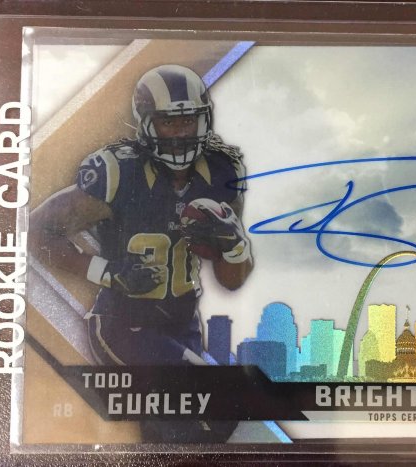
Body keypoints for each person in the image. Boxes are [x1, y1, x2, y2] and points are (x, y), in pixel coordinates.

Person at [29, 64, 252, 441]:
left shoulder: (221, 171)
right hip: (124, 324)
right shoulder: (119, 172)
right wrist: (108, 272)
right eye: (168, 122)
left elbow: (232, 280)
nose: (180, 133)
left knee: (167, 432)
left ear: (204, 119)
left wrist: (235, 246)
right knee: (216, 409)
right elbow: (37, 230)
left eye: (188, 121)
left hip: (183, 325)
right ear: (146, 123)